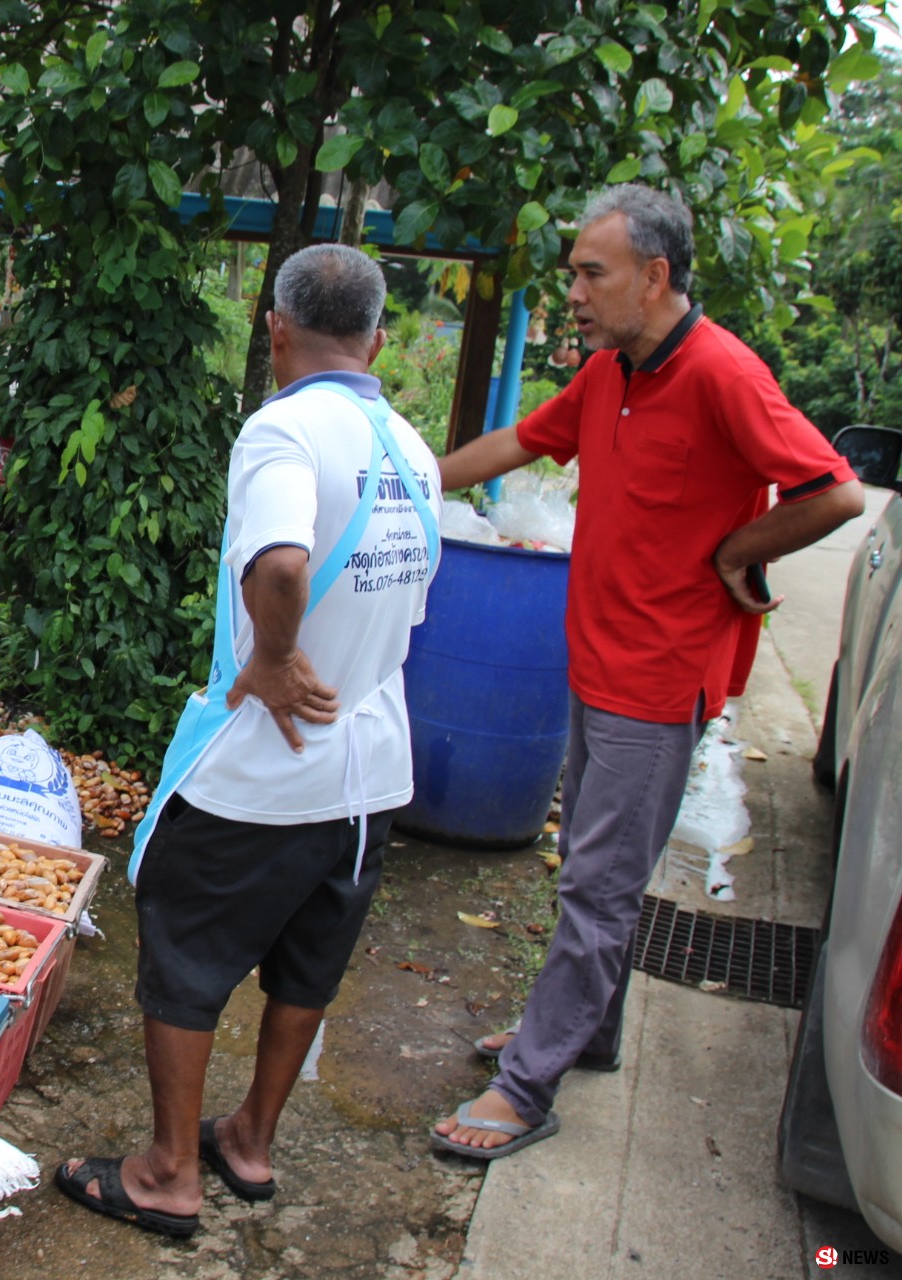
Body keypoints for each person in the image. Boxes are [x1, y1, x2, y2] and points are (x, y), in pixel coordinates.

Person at [429, 185, 864, 1160]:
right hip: (598, 658)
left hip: (659, 677)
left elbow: (834, 489)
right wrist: (409, 476)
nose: (575, 292)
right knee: (596, 861)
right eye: (575, 272)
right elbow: (523, 441)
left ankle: (526, 1084)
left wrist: (740, 546)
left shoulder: (720, 372)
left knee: (596, 883)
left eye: (593, 273)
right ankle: (583, 1029)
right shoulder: (611, 372)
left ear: (654, 276)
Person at [56, 245, 442, 1238]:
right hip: (370, 775)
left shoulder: (283, 431)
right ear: (379, 338)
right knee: (309, 960)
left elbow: (278, 560)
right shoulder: (411, 447)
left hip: (269, 770)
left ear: (274, 327)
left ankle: (170, 1170)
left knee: (184, 955)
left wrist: (271, 658)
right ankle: (251, 1141)